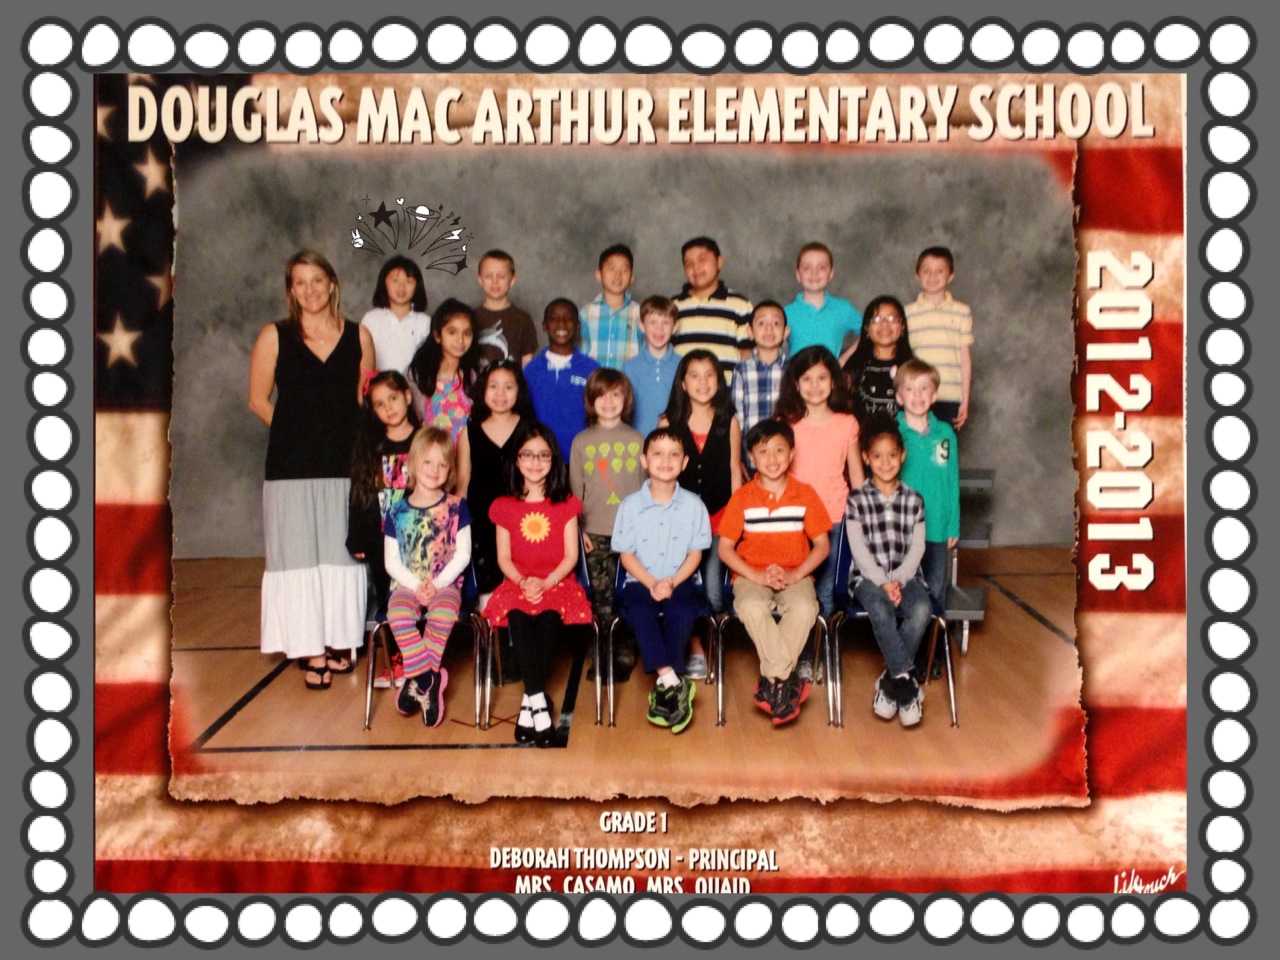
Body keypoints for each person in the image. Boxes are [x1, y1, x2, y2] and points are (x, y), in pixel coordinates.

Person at [248, 249, 374, 690]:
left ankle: (339, 641)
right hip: (291, 468)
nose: (310, 290)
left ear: (332, 283)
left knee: (342, 556)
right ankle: (310, 650)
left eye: (317, 279)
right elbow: (257, 400)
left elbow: (365, 403)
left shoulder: (359, 336)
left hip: (344, 464)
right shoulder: (275, 336)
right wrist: (297, 433)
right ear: (291, 290)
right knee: (298, 558)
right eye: (299, 282)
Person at [483, 422, 594, 746]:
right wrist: (523, 582)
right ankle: (539, 705)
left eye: (543, 455)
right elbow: (504, 558)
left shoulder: (566, 503)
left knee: (547, 620)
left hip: (556, 581)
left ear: (554, 460)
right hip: (517, 582)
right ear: (516, 460)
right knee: (518, 618)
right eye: (528, 455)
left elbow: (571, 555)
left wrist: (546, 582)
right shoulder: (504, 505)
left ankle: (529, 703)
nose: (535, 462)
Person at [718, 419, 830, 726]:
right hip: (752, 574)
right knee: (751, 605)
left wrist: (795, 575)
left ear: (792, 454)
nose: (772, 458)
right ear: (751, 457)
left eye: (779, 450)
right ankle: (784, 681)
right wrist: (756, 576)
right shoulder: (742, 497)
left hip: (795, 573)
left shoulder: (805, 494)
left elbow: (822, 546)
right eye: (763, 451)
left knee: (806, 607)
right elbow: (725, 548)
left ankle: (773, 682)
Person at [612, 427, 712, 733]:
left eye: (674, 455)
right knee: (640, 613)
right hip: (640, 582)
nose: (665, 461)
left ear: (684, 462)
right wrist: (652, 583)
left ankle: (665, 686)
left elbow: (695, 554)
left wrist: (672, 582)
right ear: (644, 460)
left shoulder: (694, 505)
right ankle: (672, 679)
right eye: (657, 454)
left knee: (681, 611)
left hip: (681, 580)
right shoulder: (630, 505)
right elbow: (626, 555)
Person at [658, 349, 742, 677]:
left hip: (720, 518)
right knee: (685, 586)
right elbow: (660, 476)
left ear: (719, 382)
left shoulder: (728, 421)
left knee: (713, 592)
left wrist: (737, 520)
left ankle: (712, 635)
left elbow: (735, 471)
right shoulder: (668, 423)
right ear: (683, 383)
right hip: (680, 523)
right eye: (695, 375)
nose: (703, 382)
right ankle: (695, 645)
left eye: (710, 375)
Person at [845, 415, 932, 727]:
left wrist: (899, 580)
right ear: (866, 458)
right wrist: (883, 582)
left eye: (892, 455)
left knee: (921, 608)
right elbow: (859, 550)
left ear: (902, 456)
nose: (885, 463)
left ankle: (890, 681)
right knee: (881, 609)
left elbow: (917, 548)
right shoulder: (857, 499)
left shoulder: (914, 500)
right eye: (877, 456)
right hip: (867, 579)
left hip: (907, 577)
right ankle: (907, 686)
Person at [382, 427, 472, 727]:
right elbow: (391, 561)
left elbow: (463, 554)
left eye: (442, 464)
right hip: (406, 585)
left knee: (442, 614)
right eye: (428, 462)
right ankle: (428, 679)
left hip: (444, 584)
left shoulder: (457, 507)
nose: (434, 470)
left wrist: (436, 584)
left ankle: (417, 683)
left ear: (450, 470)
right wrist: (416, 586)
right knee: (398, 615)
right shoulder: (396, 511)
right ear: (413, 463)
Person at [773, 346, 864, 625]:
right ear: (796, 383)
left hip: (834, 517)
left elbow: (856, 474)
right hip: (794, 519)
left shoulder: (847, 423)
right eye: (807, 379)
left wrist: (864, 516)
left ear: (834, 381)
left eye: (822, 378)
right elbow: (773, 473)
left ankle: (819, 647)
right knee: (796, 588)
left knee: (826, 591)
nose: (815, 386)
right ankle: (797, 642)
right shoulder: (785, 423)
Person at [346, 370, 422, 689]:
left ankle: (421, 658)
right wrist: (357, 537)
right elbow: (360, 493)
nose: (389, 407)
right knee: (388, 598)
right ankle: (396, 658)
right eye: (379, 404)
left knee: (418, 597)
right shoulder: (371, 447)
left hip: (421, 539)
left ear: (407, 396)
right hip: (382, 541)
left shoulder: (424, 440)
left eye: (393, 398)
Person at [569, 369, 646, 679]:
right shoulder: (581, 442)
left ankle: (625, 654)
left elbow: (648, 491)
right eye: (601, 395)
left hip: (632, 535)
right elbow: (575, 493)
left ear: (626, 400)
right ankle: (600, 654)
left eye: (616, 395)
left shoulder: (638, 440)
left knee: (628, 597)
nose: (609, 401)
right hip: (594, 534)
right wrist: (579, 531)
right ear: (590, 401)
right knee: (600, 600)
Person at [456, 360, 538, 601]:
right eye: (493, 386)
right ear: (483, 389)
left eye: (508, 387)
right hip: (481, 526)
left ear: (519, 391)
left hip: (523, 525)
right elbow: (463, 484)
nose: (500, 393)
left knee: (523, 592)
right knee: (485, 596)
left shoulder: (531, 431)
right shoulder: (469, 432)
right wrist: (457, 530)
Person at [895, 359, 960, 609]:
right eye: (910, 389)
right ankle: (906, 634)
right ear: (899, 397)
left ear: (934, 396)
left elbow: (951, 480)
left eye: (924, 388)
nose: (917, 395)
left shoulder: (945, 433)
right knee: (904, 592)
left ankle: (934, 634)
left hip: (936, 526)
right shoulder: (893, 433)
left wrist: (952, 525)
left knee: (935, 590)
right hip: (903, 528)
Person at [905, 246, 973, 428]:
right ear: (917, 276)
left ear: (951, 276)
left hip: (950, 396)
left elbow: (965, 359)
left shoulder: (962, 312)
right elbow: (904, 357)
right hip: (917, 395)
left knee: (943, 444)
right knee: (914, 443)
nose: (932, 276)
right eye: (926, 271)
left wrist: (965, 400)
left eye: (939, 271)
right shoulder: (908, 313)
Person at [523, 298, 600, 458]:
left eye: (568, 318)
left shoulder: (591, 368)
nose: (561, 324)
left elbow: (598, 416)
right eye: (554, 319)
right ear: (544, 326)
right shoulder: (531, 370)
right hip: (541, 458)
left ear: (578, 325)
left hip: (581, 456)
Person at [670, 236, 753, 380]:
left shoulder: (740, 305)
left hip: (726, 389)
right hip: (684, 390)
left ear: (719, 262)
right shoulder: (673, 306)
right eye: (689, 264)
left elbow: (747, 354)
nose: (695, 268)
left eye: (702, 260)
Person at [406, 298, 480, 445]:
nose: (460, 340)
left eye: (467, 333)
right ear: (437, 335)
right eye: (452, 332)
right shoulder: (417, 373)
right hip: (430, 454)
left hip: (469, 454)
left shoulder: (478, 372)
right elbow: (410, 423)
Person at [783, 242, 862, 362]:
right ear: (798, 275)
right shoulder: (786, 313)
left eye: (821, 267)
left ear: (831, 274)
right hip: (796, 373)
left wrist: (844, 358)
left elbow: (870, 332)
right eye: (807, 267)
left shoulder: (843, 309)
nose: (814, 273)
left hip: (831, 374)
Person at [731, 300, 788, 463]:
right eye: (761, 323)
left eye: (776, 323)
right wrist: (738, 459)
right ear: (750, 331)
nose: (769, 329)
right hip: (751, 458)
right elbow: (737, 418)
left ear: (785, 332)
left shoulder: (793, 368)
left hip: (786, 458)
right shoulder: (741, 370)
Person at [842, 294, 913, 424]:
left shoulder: (913, 369)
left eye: (892, 318)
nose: (884, 324)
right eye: (876, 319)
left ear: (902, 326)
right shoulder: (854, 368)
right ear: (866, 328)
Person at [359, 255, 431, 376]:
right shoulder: (371, 319)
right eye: (395, 281)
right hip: (378, 385)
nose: (401, 287)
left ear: (417, 286)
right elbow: (362, 359)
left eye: (408, 281)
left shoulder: (425, 322)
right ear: (384, 283)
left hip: (413, 385)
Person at [623, 295, 681, 436]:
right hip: (638, 442)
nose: (659, 329)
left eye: (665, 323)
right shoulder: (629, 367)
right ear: (641, 325)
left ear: (675, 327)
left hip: (675, 441)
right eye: (653, 322)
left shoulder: (683, 365)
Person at [474, 249, 539, 369]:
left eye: (501, 276)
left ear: (512, 280)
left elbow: (527, 362)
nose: (495, 281)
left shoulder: (523, 319)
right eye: (488, 276)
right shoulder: (470, 317)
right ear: (480, 279)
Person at [580, 243, 641, 370]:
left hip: (628, 381)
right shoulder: (586, 313)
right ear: (599, 275)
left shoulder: (640, 313)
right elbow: (581, 353)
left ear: (631, 278)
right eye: (611, 269)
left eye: (624, 270)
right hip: (594, 380)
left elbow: (645, 352)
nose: (618, 275)